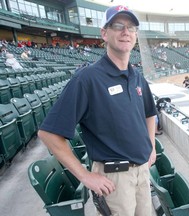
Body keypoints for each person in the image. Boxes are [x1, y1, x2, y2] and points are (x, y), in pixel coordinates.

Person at [38, 5, 157, 216]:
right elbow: (48, 133)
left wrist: (151, 146)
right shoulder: (87, 79)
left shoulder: (137, 76)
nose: (125, 32)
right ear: (104, 33)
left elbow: (150, 113)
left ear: (136, 35)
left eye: (130, 27)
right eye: (118, 25)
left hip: (142, 173)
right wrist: (85, 176)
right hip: (114, 179)